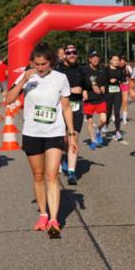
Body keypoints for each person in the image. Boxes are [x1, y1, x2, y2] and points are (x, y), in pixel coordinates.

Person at [6, 43, 75, 238]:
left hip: (54, 131)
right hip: (32, 132)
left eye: (44, 64)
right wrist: (23, 81)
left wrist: (71, 134)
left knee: (51, 176)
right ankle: (43, 214)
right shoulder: (28, 76)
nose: (41, 68)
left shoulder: (61, 78)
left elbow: (66, 108)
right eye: (37, 64)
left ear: (51, 62)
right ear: (31, 63)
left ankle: (54, 218)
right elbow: (8, 100)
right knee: (38, 175)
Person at [56, 45, 85, 185]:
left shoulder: (81, 69)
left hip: (76, 108)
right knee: (64, 139)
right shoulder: (58, 69)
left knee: (74, 137)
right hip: (61, 108)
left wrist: (88, 91)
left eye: (74, 52)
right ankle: (63, 156)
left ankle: (72, 172)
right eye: (69, 53)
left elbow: (87, 87)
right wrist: (71, 90)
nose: (72, 54)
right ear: (64, 55)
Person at [83, 50, 109, 150]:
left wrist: (103, 87)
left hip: (100, 99)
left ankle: (98, 129)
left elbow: (105, 82)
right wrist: (87, 88)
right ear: (89, 59)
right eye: (93, 57)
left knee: (104, 120)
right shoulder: (85, 70)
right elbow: (81, 82)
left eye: (97, 57)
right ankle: (93, 140)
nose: (95, 59)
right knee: (89, 121)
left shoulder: (102, 70)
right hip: (89, 99)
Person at [104, 54, 125, 141]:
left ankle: (117, 132)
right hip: (108, 93)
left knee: (116, 112)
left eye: (118, 60)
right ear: (111, 61)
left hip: (117, 93)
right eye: (115, 60)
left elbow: (123, 80)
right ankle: (106, 124)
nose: (116, 61)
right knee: (108, 112)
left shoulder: (120, 70)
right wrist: (109, 81)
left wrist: (120, 81)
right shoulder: (106, 70)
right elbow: (102, 81)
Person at [118, 56, 132, 124]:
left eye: (123, 61)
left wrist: (130, 88)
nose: (121, 63)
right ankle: (114, 115)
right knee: (117, 102)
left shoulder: (128, 68)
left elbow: (131, 78)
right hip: (117, 86)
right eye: (120, 61)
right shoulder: (116, 67)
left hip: (125, 85)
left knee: (125, 101)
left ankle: (124, 119)